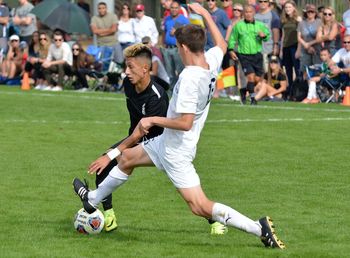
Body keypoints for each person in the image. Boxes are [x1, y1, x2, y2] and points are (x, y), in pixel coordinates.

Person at [73, 3, 285, 249]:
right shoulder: (211, 61)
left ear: (183, 47)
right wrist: (204, 13)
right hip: (166, 142)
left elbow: (184, 122)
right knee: (126, 159)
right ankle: (93, 199)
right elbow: (222, 44)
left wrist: (152, 120)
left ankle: (259, 228)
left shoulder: (188, 79)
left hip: (176, 151)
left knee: (199, 206)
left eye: (177, 46)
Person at [92, 43, 169, 232]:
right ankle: (109, 217)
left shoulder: (157, 97)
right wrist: (112, 154)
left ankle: (213, 219)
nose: (126, 72)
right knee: (102, 168)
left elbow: (142, 134)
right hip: (137, 138)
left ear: (145, 69)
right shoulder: (129, 83)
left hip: (162, 145)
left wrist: (113, 154)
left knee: (184, 188)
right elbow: (135, 132)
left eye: (130, 67)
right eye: (125, 67)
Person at [228, 4, 270, 105]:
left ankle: (243, 90)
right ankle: (252, 98)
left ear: (254, 13)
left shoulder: (260, 25)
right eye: (246, 12)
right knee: (250, 77)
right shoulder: (239, 25)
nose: (248, 14)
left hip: (257, 55)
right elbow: (232, 38)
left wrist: (263, 35)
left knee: (258, 79)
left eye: (250, 12)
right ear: (243, 13)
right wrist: (231, 50)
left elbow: (267, 36)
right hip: (244, 55)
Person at [162, 0, 189, 89]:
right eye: (172, 8)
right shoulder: (167, 19)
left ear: (179, 9)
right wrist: (163, 44)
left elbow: (188, 33)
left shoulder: (184, 20)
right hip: (167, 49)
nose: (174, 10)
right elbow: (164, 32)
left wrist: (177, 32)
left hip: (178, 49)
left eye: (176, 8)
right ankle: (171, 90)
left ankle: (182, 90)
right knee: (169, 72)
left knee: (180, 71)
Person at [280, 0, 301, 100]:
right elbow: (283, 35)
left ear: (294, 8)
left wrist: (299, 50)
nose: (288, 9)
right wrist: (281, 49)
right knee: (288, 71)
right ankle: (291, 92)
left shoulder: (298, 19)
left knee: (297, 70)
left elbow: (301, 35)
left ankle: (299, 91)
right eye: (286, 7)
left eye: (289, 7)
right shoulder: (284, 19)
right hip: (286, 47)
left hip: (295, 46)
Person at [91, 2, 123, 66]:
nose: (101, 10)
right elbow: (94, 31)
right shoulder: (94, 18)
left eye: (103, 8)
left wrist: (101, 32)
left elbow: (114, 29)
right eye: (99, 8)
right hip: (102, 44)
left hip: (114, 43)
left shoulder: (113, 16)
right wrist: (109, 30)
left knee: (120, 62)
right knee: (104, 65)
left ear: (106, 8)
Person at [255, 0, 281, 72]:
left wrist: (276, 45)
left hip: (268, 48)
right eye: (260, 1)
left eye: (265, 1)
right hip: (256, 49)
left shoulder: (273, 15)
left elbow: (276, 31)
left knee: (268, 71)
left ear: (268, 3)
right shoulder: (255, 15)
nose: (263, 3)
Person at [297, 4, 322, 78]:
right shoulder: (301, 23)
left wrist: (309, 44)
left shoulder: (319, 22)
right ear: (306, 13)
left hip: (316, 49)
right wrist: (306, 46)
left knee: (318, 69)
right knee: (305, 70)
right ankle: (305, 87)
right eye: (309, 12)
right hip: (304, 50)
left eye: (312, 12)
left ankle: (317, 87)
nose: (310, 13)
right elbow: (299, 37)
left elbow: (320, 37)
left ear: (315, 13)